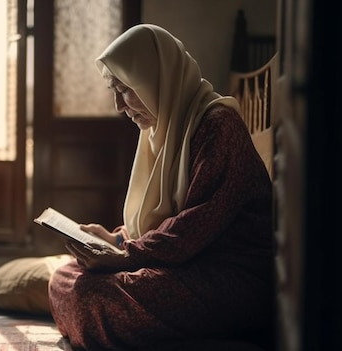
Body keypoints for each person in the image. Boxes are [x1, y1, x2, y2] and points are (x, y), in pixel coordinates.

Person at [48, 24, 275, 351]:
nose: (118, 105)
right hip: (186, 264)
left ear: (157, 79)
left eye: (125, 89)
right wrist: (115, 240)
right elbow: (165, 221)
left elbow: (195, 225)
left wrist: (125, 254)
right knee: (64, 276)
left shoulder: (218, 126)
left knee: (89, 296)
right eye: (114, 89)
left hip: (229, 278)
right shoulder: (165, 128)